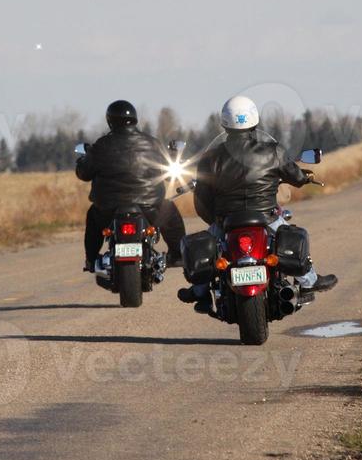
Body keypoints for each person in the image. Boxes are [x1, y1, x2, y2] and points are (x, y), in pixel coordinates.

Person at [178, 95, 338, 313]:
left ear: (225, 121)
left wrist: (214, 219)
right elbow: (296, 177)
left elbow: (202, 198)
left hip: (227, 219)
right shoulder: (272, 151)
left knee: (213, 248)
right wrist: (304, 177)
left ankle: (199, 291)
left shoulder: (211, 158)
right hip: (266, 216)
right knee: (287, 233)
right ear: (254, 119)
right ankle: (309, 280)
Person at [75, 100, 186, 270]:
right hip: (149, 207)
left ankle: (90, 260)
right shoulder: (152, 144)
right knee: (169, 210)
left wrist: (82, 160)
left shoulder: (101, 146)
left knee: (93, 216)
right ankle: (177, 255)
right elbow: (169, 169)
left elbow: (83, 174)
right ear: (134, 119)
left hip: (108, 209)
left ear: (109, 121)